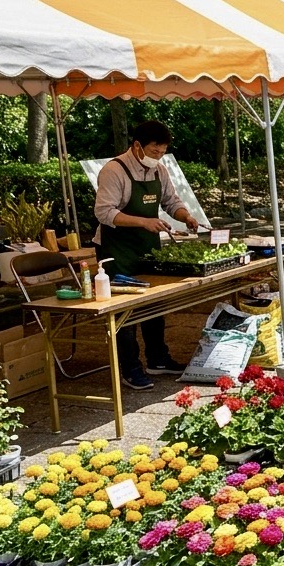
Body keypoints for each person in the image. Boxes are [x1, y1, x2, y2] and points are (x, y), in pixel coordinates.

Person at [93, 120, 200, 390]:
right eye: (154, 152)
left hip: (147, 248)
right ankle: (130, 368)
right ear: (137, 145)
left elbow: (171, 201)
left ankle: (158, 359)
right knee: (125, 312)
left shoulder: (159, 171)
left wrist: (185, 216)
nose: (158, 157)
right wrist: (143, 222)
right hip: (116, 251)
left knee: (154, 306)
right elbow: (104, 212)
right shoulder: (113, 171)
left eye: (162, 152)